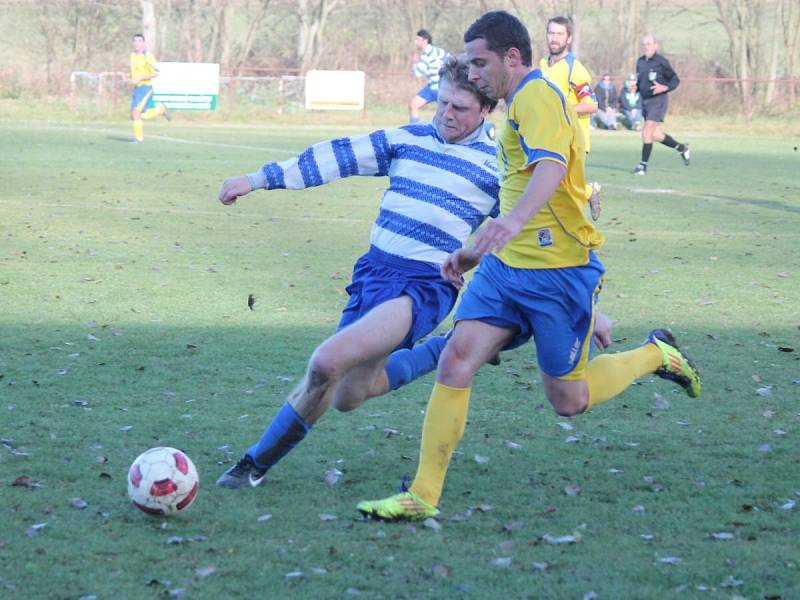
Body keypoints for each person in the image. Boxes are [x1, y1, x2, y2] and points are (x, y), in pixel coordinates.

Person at [357, 10, 702, 521]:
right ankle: (423, 495)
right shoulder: (518, 100)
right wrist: (480, 249)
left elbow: (551, 166)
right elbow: (522, 181)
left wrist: (510, 223)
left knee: (569, 400)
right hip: (504, 269)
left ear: (511, 58)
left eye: (479, 63)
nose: (472, 75)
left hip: (557, 272)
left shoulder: (538, 94)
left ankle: (656, 355)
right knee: (456, 360)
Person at [215, 56, 501, 489]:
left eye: (459, 107)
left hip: (424, 286)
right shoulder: (407, 139)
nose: (446, 113)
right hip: (374, 274)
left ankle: (252, 466)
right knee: (349, 395)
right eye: (442, 102)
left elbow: (535, 218)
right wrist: (258, 179)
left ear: (486, 110)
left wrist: (583, 205)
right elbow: (336, 157)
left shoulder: (495, 168)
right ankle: (450, 348)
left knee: (326, 363)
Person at [538, 16, 602, 221]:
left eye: (559, 34)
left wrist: (562, 109)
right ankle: (589, 193)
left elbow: (591, 105)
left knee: (563, 192)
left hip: (574, 140)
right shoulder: (542, 64)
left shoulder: (575, 68)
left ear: (569, 38)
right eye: (551, 33)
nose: (554, 38)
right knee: (549, 187)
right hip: (550, 137)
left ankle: (575, 239)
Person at [633, 34, 690, 174]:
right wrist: (637, 87)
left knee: (646, 131)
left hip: (658, 101)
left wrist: (664, 87)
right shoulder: (640, 61)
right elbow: (642, 81)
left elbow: (675, 80)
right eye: (644, 44)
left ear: (655, 45)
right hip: (645, 101)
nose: (646, 46)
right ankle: (682, 148)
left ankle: (643, 166)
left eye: (649, 43)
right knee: (655, 135)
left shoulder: (661, 62)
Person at [129, 33, 170, 144]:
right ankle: (160, 110)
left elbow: (156, 72)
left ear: (143, 43)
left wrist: (141, 78)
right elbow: (136, 72)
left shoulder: (147, 55)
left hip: (145, 88)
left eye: (139, 41)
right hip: (137, 88)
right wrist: (129, 78)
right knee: (134, 115)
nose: (136, 43)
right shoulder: (133, 55)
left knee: (136, 113)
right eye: (135, 41)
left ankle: (139, 139)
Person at [409, 29, 448, 123]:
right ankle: (416, 131)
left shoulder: (428, 55)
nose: (415, 42)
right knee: (414, 104)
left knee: (449, 116)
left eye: (418, 39)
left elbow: (418, 73)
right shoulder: (435, 52)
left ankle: (484, 128)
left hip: (441, 89)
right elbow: (451, 59)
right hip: (432, 87)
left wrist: (415, 63)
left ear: (425, 40)